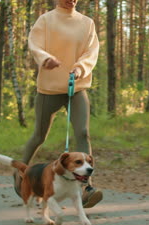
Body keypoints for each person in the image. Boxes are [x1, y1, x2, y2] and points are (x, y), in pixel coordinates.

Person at [15, 0, 102, 208]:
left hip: (76, 88)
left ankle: (87, 187)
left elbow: (91, 52)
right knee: (39, 136)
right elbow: (34, 45)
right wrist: (45, 59)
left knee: (82, 133)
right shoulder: (46, 20)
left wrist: (81, 68)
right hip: (50, 89)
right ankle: (20, 174)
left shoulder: (86, 23)